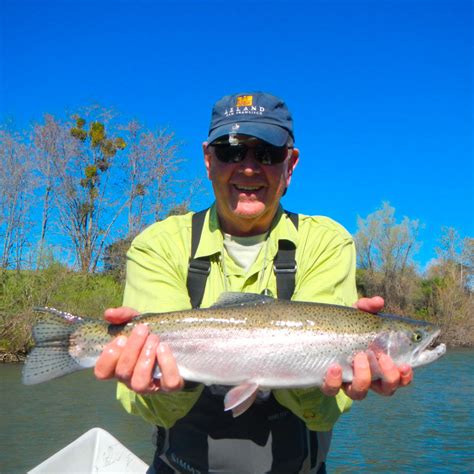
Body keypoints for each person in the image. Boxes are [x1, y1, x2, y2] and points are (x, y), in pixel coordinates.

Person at [95, 92, 413, 473]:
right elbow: (145, 406)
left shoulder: (327, 243)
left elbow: (322, 413)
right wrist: (156, 383)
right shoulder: (159, 244)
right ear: (209, 161)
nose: (248, 168)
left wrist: (333, 375)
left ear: (290, 164)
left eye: (266, 153)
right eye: (231, 152)